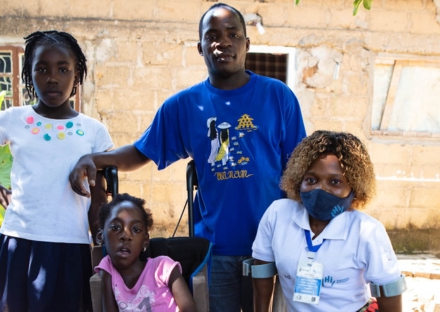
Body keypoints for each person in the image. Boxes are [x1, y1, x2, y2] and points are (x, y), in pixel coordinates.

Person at [69, 3, 306, 312]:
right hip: (215, 247)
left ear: (246, 44)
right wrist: (95, 159)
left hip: (271, 246)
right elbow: (141, 151)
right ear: (200, 47)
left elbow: (300, 171)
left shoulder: (278, 96)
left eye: (233, 34)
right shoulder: (184, 106)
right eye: (213, 36)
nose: (223, 42)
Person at [0, 30, 114, 311]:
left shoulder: (94, 131)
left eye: (62, 69)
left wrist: (100, 242)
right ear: (29, 74)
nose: (52, 77)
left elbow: (99, 196)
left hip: (70, 246)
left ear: (76, 76)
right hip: (18, 243)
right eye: (42, 69)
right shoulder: (13, 119)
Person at [251, 130, 406, 312]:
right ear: (298, 180)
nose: (320, 189)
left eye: (334, 182)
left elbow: (389, 291)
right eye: (311, 179)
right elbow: (262, 272)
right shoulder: (278, 214)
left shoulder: (367, 231)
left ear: (354, 186)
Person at [95, 193, 197, 311]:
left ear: (145, 241)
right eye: (116, 227)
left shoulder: (163, 267)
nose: (126, 236)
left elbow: (189, 309)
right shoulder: (108, 267)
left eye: (136, 229)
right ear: (100, 236)